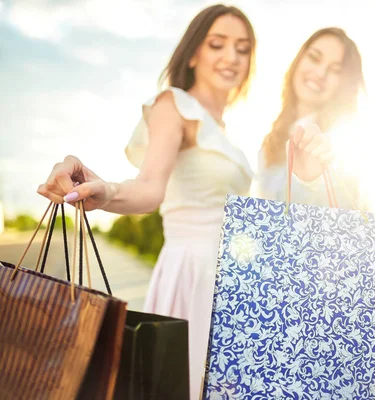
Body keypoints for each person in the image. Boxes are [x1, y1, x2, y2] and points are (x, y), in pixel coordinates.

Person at [36, 5, 331, 399]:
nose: (231, 57)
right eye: (217, 44)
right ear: (193, 53)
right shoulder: (173, 104)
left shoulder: (225, 131)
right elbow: (149, 187)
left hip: (234, 280)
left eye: (243, 49)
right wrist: (104, 190)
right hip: (194, 271)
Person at [257, 27, 365, 208]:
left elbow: (347, 197)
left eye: (335, 70)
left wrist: (314, 178)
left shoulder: (344, 136)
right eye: (314, 58)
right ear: (299, 59)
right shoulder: (271, 141)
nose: (320, 73)